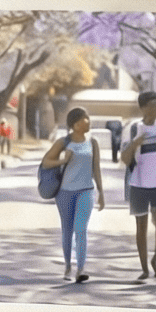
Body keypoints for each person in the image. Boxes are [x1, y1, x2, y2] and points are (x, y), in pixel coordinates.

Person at [40, 107, 104, 284]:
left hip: (86, 191)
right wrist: (63, 160)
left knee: (81, 229)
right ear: (76, 124)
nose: (89, 122)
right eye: (86, 119)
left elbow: (96, 168)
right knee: (67, 231)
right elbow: (46, 162)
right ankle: (68, 265)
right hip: (65, 193)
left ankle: (81, 269)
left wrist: (101, 192)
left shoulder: (93, 142)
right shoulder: (64, 142)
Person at [121, 89, 156, 280]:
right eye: (152, 105)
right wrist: (135, 143)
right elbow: (124, 158)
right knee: (141, 227)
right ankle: (145, 268)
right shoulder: (132, 129)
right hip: (138, 184)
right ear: (143, 108)